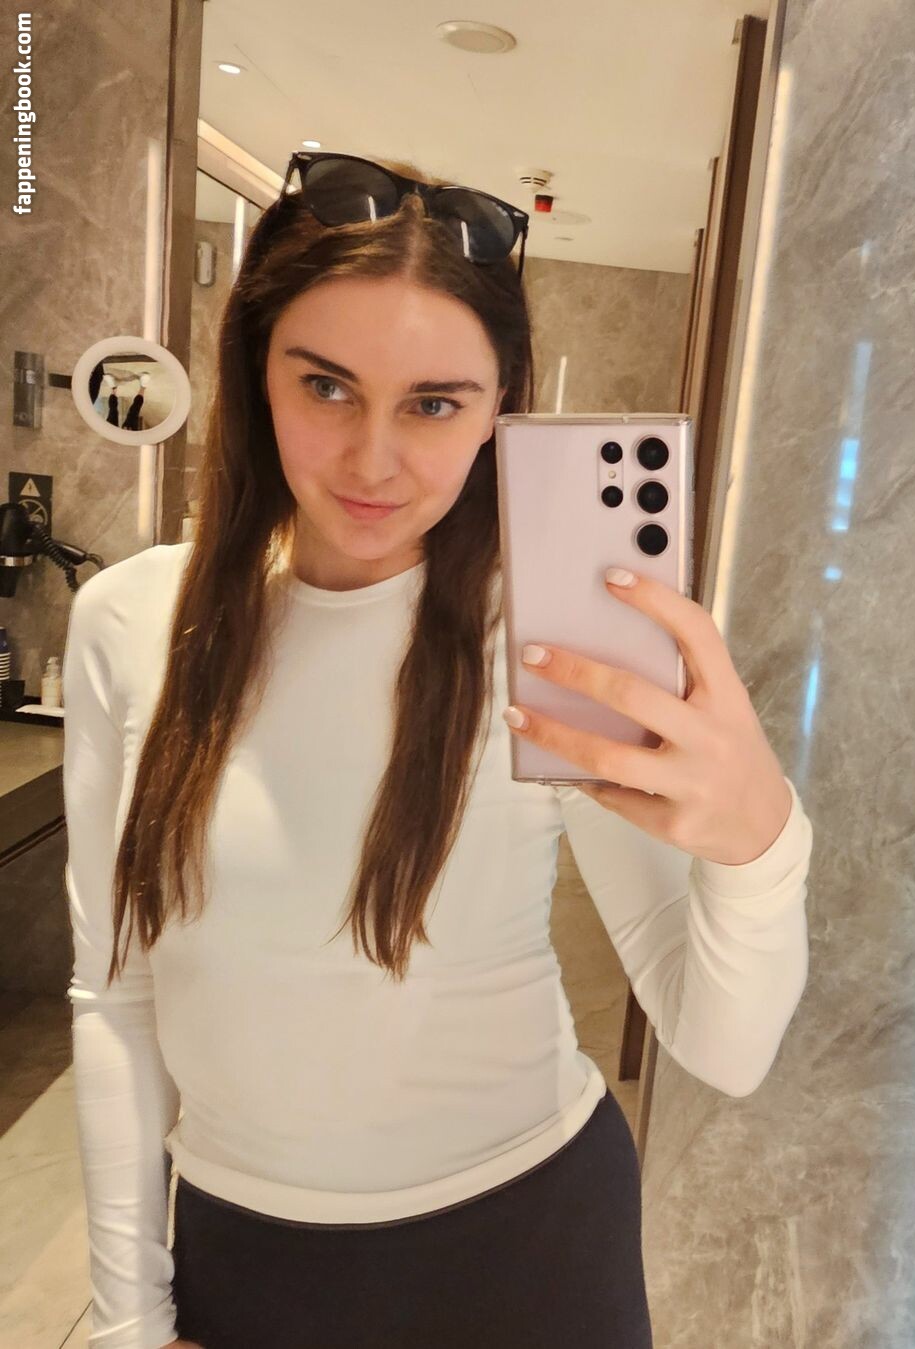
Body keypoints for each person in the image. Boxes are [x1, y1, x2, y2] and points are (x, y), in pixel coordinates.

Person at [61, 151, 815, 1349]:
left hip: (527, 1252)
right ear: (257, 369)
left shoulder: (548, 639)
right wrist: (125, 1321)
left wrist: (761, 842)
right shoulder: (132, 621)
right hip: (243, 1250)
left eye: (433, 403)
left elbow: (723, 1047)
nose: (374, 459)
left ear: (499, 404)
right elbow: (116, 991)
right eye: (327, 385)